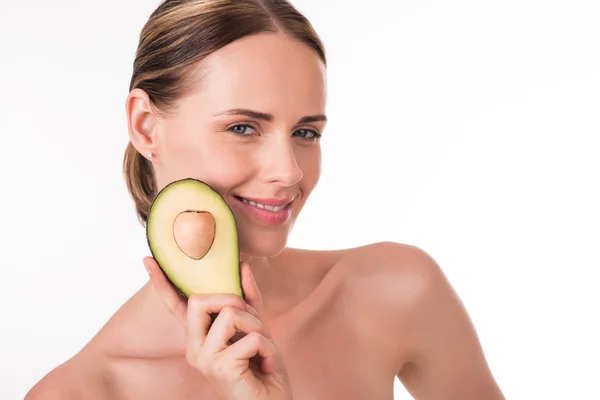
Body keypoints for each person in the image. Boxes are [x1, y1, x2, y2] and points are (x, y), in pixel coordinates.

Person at [25, 0, 505, 399]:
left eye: (305, 132)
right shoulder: (80, 392)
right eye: (242, 127)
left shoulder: (398, 290)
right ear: (145, 127)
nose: (290, 171)